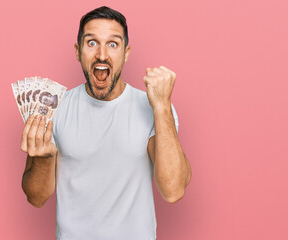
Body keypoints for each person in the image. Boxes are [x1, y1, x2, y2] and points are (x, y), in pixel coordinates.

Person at [20, 6, 192, 240]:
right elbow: (36, 198)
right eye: (91, 43)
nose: (102, 55)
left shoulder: (153, 107)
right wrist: (44, 158)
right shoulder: (55, 108)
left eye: (113, 44)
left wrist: (162, 107)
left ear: (126, 53)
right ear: (78, 51)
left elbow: (173, 191)